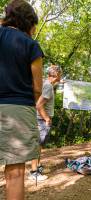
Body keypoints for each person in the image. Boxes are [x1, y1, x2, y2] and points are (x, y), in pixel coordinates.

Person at [0, 1, 43, 200]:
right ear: (28, 22)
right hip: (18, 108)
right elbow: (37, 87)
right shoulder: (30, 45)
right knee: (15, 172)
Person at [28, 65, 61, 181]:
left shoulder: (46, 84)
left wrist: (58, 83)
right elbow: (39, 105)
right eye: (60, 75)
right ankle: (33, 172)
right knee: (38, 145)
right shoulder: (48, 87)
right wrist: (47, 118)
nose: (61, 77)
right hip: (42, 119)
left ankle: (37, 166)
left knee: (39, 145)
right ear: (57, 75)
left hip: (39, 118)